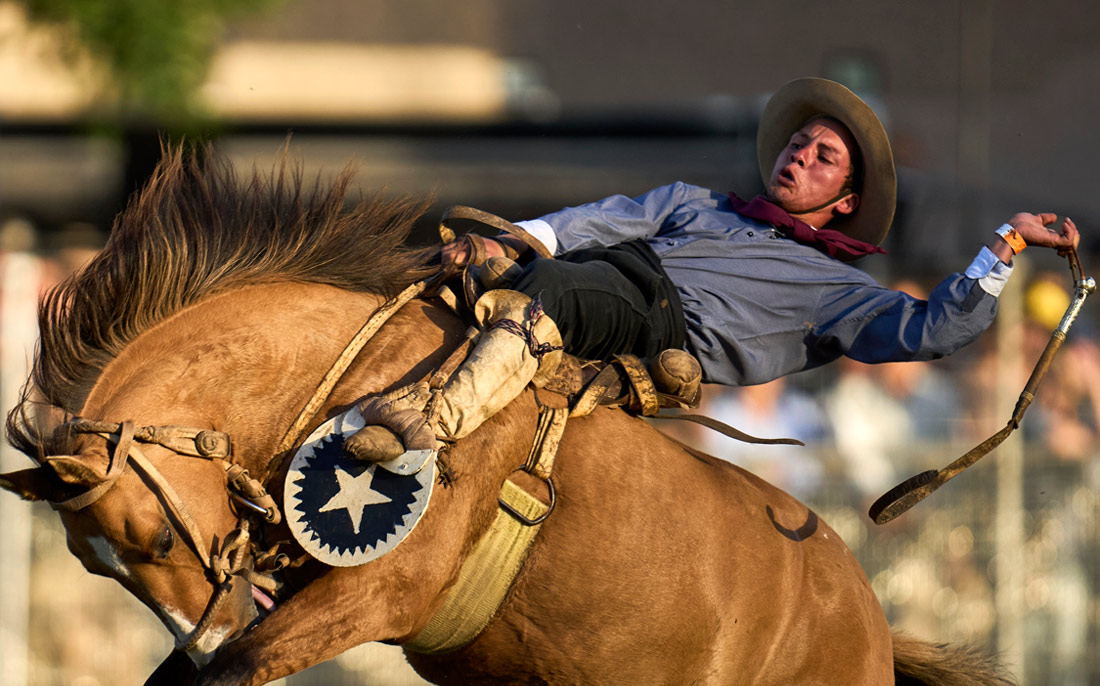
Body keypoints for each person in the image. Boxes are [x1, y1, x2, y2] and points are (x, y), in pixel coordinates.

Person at [348, 77, 1080, 464]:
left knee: (558, 286)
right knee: (473, 261)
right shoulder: (696, 201)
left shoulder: (841, 291)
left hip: (661, 324)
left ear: (847, 200)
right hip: (605, 274)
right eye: (798, 143)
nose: (799, 156)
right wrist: (509, 241)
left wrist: (1005, 244)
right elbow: (599, 221)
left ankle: (431, 424)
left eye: (823, 157)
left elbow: (933, 329)